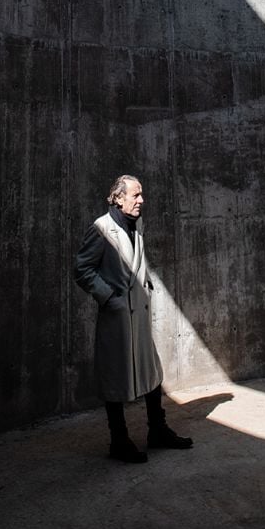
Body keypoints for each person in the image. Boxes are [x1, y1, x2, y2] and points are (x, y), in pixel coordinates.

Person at [74, 175, 193, 463]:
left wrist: (147, 286)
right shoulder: (101, 229)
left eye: (141, 195)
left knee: (151, 372)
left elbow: (137, 263)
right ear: (118, 198)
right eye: (136, 195)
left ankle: (158, 430)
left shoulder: (136, 225)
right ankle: (119, 441)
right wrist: (109, 298)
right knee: (116, 377)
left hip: (138, 313)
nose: (141, 200)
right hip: (117, 316)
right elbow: (82, 269)